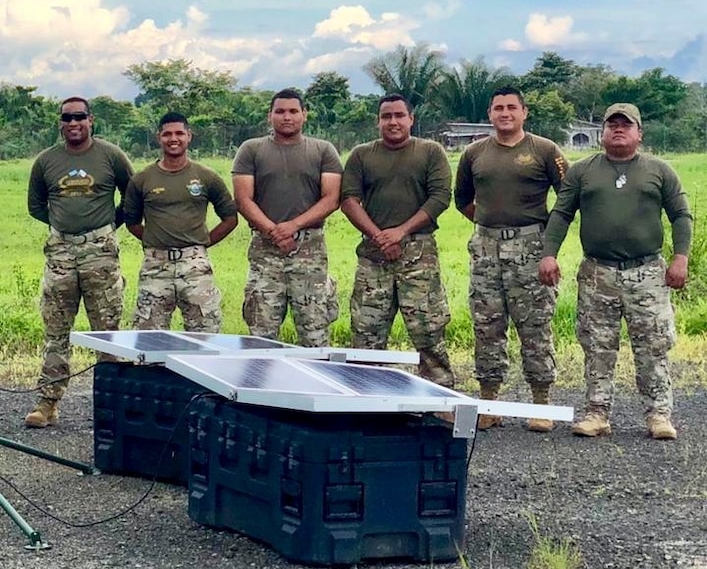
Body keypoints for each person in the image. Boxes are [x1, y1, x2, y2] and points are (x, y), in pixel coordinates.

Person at [539, 103, 693, 440]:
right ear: (603, 132)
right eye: (612, 125)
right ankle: (596, 413)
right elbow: (561, 215)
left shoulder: (659, 170)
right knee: (597, 347)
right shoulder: (582, 172)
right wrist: (549, 255)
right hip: (598, 273)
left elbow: (681, 215)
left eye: (626, 125)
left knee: (653, 346)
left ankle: (659, 415)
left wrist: (680, 258)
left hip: (647, 272)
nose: (618, 130)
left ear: (639, 133)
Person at [453, 86, 568, 431]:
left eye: (511, 108)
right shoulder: (474, 153)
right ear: (489, 114)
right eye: (498, 108)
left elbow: (566, 201)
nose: (505, 113)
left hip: (531, 249)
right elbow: (463, 200)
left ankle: (541, 404)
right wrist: (492, 226)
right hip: (486, 250)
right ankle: (489, 402)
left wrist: (546, 247)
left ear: (524, 112)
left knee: (535, 327)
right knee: (487, 327)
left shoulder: (545, 150)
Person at [24, 96, 133, 428]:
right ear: (60, 122)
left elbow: (132, 196)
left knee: (108, 332)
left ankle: (113, 406)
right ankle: (47, 403)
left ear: (91, 120)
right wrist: (64, 224)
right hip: (60, 253)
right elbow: (36, 205)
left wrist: (106, 226)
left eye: (80, 117)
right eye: (67, 118)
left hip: (100, 252)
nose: (74, 124)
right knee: (56, 330)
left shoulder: (111, 156)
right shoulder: (46, 161)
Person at [339, 94, 455, 386]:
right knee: (367, 330)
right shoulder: (361, 155)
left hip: (419, 253)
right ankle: (365, 395)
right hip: (373, 255)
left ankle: (439, 395)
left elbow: (440, 197)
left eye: (399, 116)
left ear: (411, 119)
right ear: (378, 121)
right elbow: (349, 200)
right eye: (386, 116)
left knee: (428, 328)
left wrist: (400, 232)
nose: (393, 122)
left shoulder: (431, 152)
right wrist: (379, 236)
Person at [232, 88, 343, 345]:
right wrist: (274, 231)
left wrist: (293, 225)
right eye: (280, 111)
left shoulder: (323, 150)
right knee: (261, 331)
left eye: (293, 111)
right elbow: (243, 199)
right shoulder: (251, 150)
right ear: (269, 115)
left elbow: (331, 198)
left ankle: (317, 383)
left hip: (309, 251)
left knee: (314, 330)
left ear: (304, 115)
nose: (287, 117)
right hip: (265, 251)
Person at [122, 113, 238, 332]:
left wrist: (201, 244)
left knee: (205, 334)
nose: (173, 139)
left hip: (195, 267)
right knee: (148, 335)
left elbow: (230, 218)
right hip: (155, 268)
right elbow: (132, 222)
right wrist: (156, 240)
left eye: (179, 133)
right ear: (159, 137)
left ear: (189, 136)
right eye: (167, 134)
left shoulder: (207, 176)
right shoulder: (142, 179)